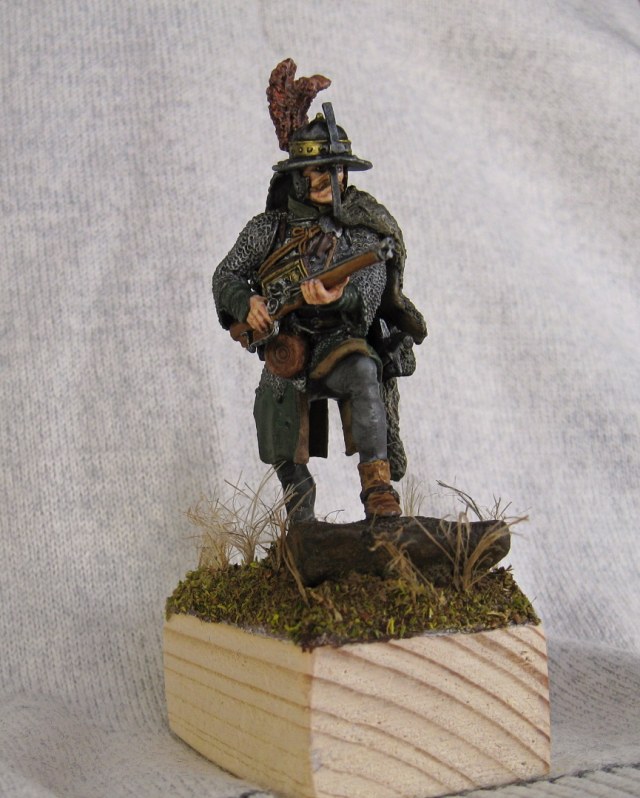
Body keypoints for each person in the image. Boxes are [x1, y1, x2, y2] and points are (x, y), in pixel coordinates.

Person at [213, 62, 426, 522]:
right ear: (298, 176)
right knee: (277, 423)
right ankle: (302, 519)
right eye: (321, 170)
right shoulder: (267, 230)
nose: (334, 179)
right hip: (286, 345)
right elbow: (226, 275)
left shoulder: (362, 230)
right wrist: (247, 303)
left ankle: (378, 490)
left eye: (338, 169)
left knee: (363, 369)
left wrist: (339, 299)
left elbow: (369, 289)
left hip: (338, 341)